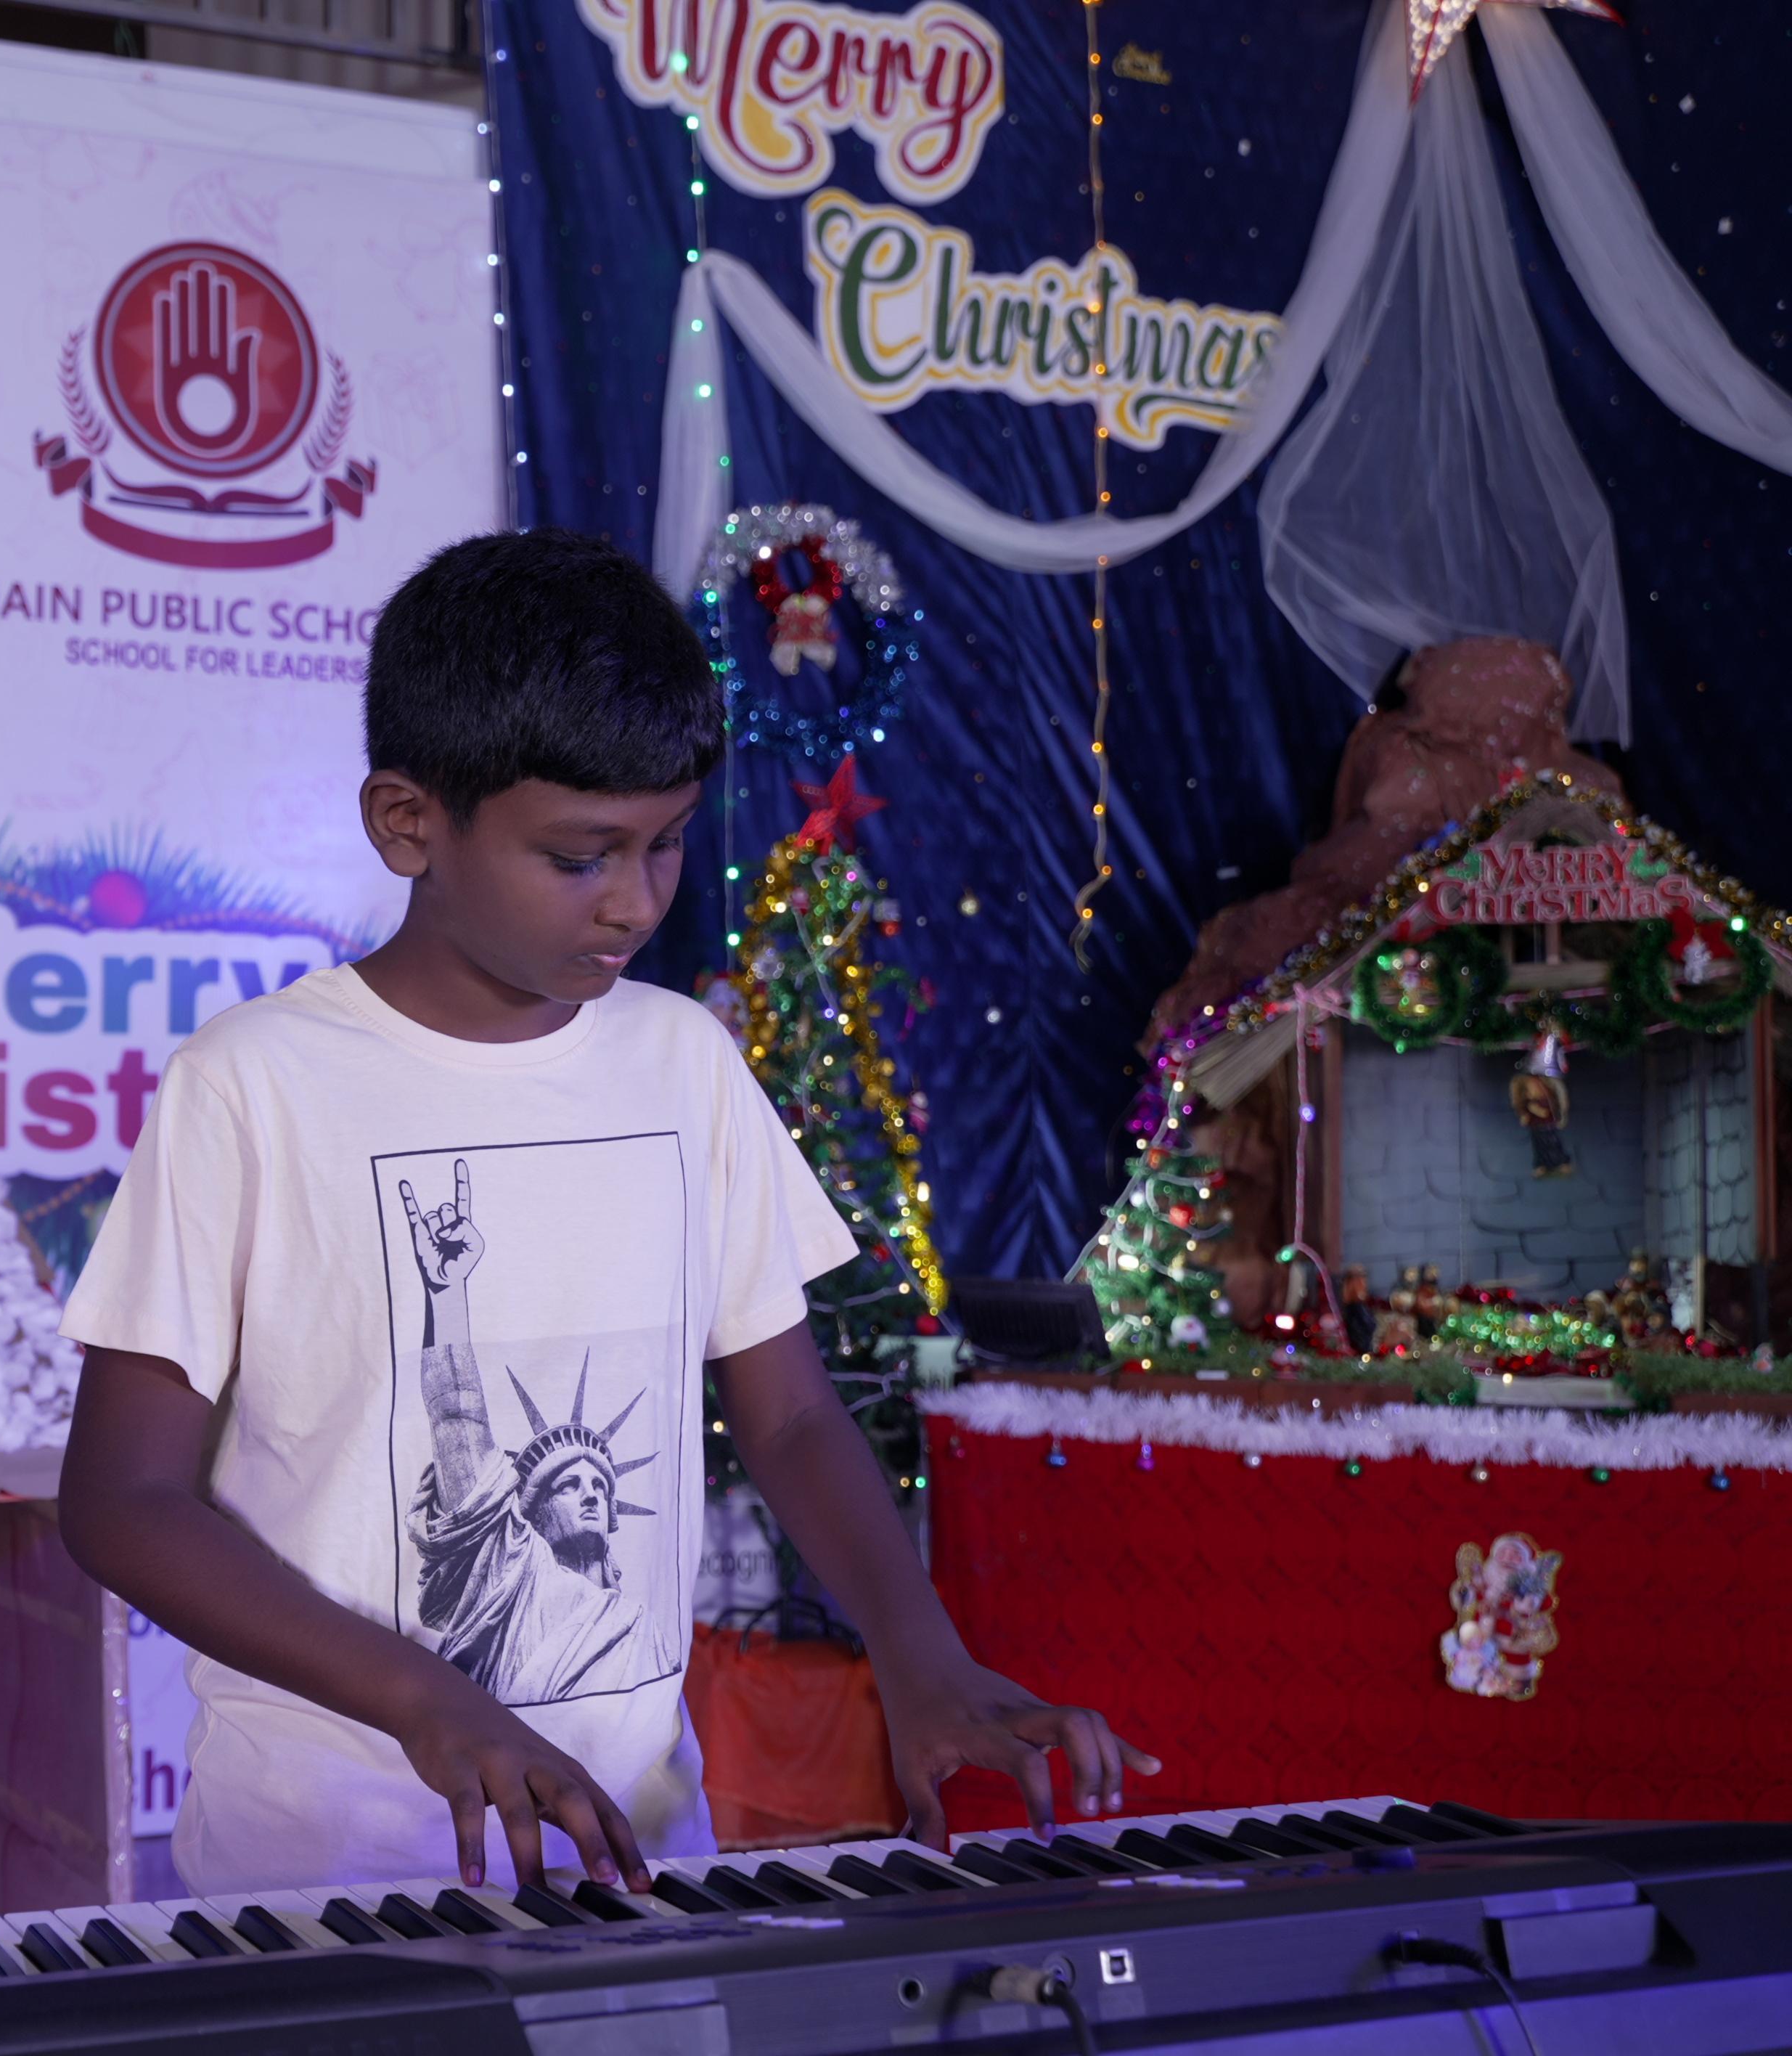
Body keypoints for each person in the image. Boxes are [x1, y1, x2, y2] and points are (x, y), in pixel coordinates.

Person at [56, 529, 1156, 1899]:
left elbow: (791, 1417)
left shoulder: (684, 1061)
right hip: (322, 1872)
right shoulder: (254, 1086)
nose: (635, 902)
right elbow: (124, 1501)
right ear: (409, 823)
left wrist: (920, 1655)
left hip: (634, 1852)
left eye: (668, 843)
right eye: (580, 856)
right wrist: (428, 1701)